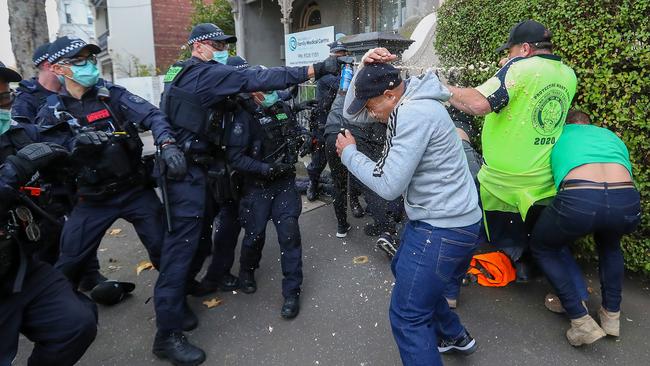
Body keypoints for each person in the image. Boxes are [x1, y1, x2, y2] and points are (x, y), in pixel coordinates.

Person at [157, 23, 339, 364]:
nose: (221, 49)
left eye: (225, 44)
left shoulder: (202, 79)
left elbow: (268, 97)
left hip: (222, 173)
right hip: (202, 177)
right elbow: (258, 82)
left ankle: (219, 284)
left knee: (250, 234)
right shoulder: (213, 81)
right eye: (216, 44)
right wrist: (314, 69)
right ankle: (173, 325)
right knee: (197, 244)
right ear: (198, 47)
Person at [35, 33, 187, 351]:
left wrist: (168, 142)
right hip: (91, 200)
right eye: (81, 61)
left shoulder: (112, 95)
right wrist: (72, 146)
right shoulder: (51, 111)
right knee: (69, 260)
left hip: (134, 190)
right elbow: (42, 155)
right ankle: (54, 325)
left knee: (164, 251)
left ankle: (170, 327)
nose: (91, 65)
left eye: (92, 59)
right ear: (61, 70)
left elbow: (153, 115)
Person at [338, 51, 482, 365]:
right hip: (444, 220)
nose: (371, 114)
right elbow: (355, 115)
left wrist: (349, 154)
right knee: (402, 268)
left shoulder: (414, 113)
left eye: (372, 105)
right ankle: (452, 334)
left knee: (407, 316)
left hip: (442, 227)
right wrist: (363, 69)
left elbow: (389, 185)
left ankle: (446, 334)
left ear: (389, 95)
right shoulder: (408, 100)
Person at [446, 20, 578, 281]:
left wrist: (441, 89)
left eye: (510, 50)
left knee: (482, 223)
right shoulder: (567, 73)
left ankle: (459, 279)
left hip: (503, 181)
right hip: (542, 179)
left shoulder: (520, 69)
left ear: (525, 48)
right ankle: (528, 268)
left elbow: (478, 104)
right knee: (534, 237)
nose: (507, 57)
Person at [530, 109, 640, 346]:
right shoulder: (609, 136)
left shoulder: (557, 136)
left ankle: (580, 321)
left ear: (564, 124)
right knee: (610, 245)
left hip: (581, 196)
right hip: (625, 197)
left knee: (543, 247)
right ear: (589, 124)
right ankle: (612, 317)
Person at [0, 141, 98, 366]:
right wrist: (13, 171)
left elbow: (49, 143)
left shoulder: (11, 132)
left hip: (18, 267)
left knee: (75, 324)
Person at [229, 86, 305, 319]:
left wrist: (304, 137)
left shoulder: (280, 108)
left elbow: (293, 129)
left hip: (284, 183)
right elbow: (235, 158)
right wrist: (265, 168)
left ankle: (292, 292)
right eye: (267, 90)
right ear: (254, 93)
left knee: (289, 235)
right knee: (255, 234)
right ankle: (247, 271)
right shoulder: (243, 116)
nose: (272, 93)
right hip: (257, 186)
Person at [305, 40, 348, 201]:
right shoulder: (326, 74)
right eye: (339, 54)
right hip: (323, 123)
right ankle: (313, 184)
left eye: (344, 53)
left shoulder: (342, 72)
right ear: (332, 56)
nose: (342, 56)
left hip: (339, 123)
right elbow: (343, 86)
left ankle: (341, 188)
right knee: (319, 158)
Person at [11, 43, 61, 124]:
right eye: (64, 62)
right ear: (48, 66)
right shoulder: (26, 99)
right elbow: (21, 133)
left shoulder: (71, 91)